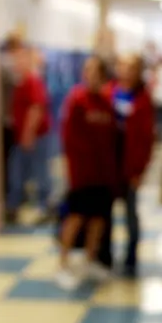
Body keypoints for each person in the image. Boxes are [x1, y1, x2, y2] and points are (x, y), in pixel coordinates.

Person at [57, 56, 119, 289]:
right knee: (76, 217)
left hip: (103, 174)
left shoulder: (105, 102)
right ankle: (62, 263)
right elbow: (69, 139)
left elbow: (111, 139)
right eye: (87, 70)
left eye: (96, 71)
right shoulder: (76, 100)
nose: (90, 75)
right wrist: (73, 172)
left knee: (98, 219)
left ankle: (90, 260)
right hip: (82, 173)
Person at [100, 53, 155, 276]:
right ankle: (105, 255)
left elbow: (146, 138)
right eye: (122, 66)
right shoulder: (108, 92)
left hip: (130, 167)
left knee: (131, 214)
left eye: (131, 67)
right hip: (108, 167)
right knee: (105, 214)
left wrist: (140, 170)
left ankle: (131, 257)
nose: (126, 71)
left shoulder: (142, 98)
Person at [6, 45, 52, 223]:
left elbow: (36, 108)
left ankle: (44, 207)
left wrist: (28, 134)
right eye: (14, 60)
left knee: (40, 172)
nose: (16, 63)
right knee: (18, 172)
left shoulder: (32, 82)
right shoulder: (21, 83)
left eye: (20, 59)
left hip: (35, 137)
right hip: (22, 136)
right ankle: (14, 206)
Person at [0, 34, 23, 204]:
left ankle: (9, 193)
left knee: (9, 160)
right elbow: (19, 81)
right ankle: (8, 195)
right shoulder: (7, 64)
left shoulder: (3, 63)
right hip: (7, 121)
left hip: (7, 120)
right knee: (9, 161)